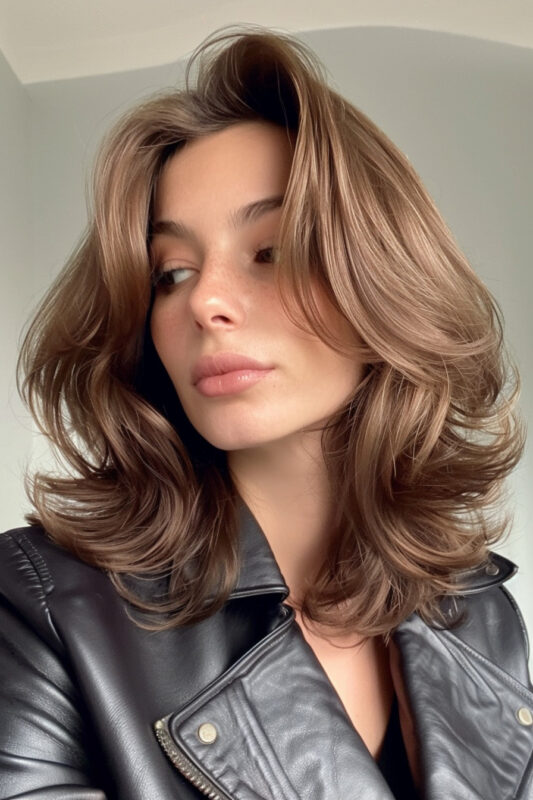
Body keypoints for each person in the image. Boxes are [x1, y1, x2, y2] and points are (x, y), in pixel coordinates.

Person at [0, 25, 530, 800]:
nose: (206, 301)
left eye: (272, 251)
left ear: (381, 281)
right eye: (171, 272)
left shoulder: (482, 617)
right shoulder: (41, 604)